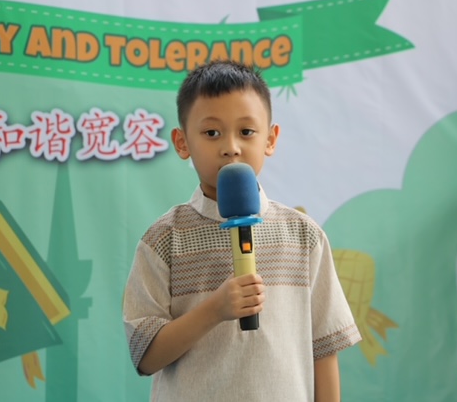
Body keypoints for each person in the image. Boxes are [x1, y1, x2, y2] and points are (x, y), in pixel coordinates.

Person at [122, 60, 361, 402]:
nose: (231, 147)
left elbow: (324, 348)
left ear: (270, 139)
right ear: (182, 142)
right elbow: (145, 356)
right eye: (212, 133)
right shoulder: (163, 240)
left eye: (246, 132)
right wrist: (214, 309)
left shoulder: (303, 236)